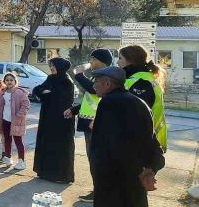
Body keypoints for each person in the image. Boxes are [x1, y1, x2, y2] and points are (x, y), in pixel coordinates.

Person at [88, 66, 165, 207]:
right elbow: (150, 139)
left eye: (96, 81)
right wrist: (152, 167)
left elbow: (107, 145)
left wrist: (100, 173)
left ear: (107, 84)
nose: (94, 85)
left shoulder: (109, 103)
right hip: (136, 175)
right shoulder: (138, 102)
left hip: (114, 178)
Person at [64, 48, 113, 202]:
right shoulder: (97, 76)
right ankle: (99, 189)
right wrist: (74, 110)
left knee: (96, 159)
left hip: (97, 125)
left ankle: (99, 192)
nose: (90, 62)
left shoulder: (106, 76)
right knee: (94, 159)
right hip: (90, 124)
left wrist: (79, 74)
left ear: (102, 61)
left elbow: (92, 90)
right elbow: (91, 100)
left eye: (93, 59)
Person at [32, 57, 76, 183]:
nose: (51, 68)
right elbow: (37, 89)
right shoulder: (51, 78)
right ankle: (45, 172)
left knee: (59, 147)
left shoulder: (66, 82)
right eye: (51, 65)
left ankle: (61, 176)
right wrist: (44, 92)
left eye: (54, 66)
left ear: (60, 67)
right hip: (47, 117)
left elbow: (60, 100)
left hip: (61, 119)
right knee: (46, 144)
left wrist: (47, 93)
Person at [118, 45, 168, 152]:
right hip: (148, 144)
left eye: (120, 58)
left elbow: (137, 118)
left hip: (142, 147)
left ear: (130, 60)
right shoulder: (147, 77)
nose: (118, 62)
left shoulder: (140, 82)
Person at [0, 72, 31, 170]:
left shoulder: (20, 92)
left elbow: (26, 105)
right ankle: (8, 157)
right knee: (7, 140)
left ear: (15, 81)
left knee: (18, 141)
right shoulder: (4, 91)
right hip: (5, 120)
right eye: (7, 80)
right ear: (4, 82)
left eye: (11, 80)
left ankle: (21, 161)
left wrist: (19, 115)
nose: (9, 82)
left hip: (16, 121)